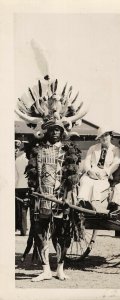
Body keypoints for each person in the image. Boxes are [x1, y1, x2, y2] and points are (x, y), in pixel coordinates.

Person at [15, 77, 87, 282]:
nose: (55, 133)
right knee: (39, 232)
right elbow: (32, 174)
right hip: (41, 197)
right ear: (46, 131)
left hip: (61, 197)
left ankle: (60, 268)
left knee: (62, 233)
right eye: (52, 129)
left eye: (58, 130)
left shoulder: (69, 151)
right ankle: (46, 268)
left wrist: (68, 189)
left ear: (62, 132)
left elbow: (73, 174)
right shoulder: (37, 151)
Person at [77, 126, 120, 211]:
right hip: (91, 173)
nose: (104, 138)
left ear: (110, 136)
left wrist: (105, 173)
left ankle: (94, 206)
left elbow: (116, 164)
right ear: (99, 138)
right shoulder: (93, 148)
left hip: (104, 175)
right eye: (102, 136)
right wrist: (89, 171)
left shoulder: (115, 150)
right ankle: (82, 203)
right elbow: (87, 161)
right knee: (85, 182)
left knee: (97, 186)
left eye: (106, 135)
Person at [15, 140, 29, 236]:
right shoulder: (29, 158)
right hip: (28, 185)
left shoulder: (17, 159)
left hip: (18, 185)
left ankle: (22, 228)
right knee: (27, 208)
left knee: (20, 208)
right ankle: (24, 228)